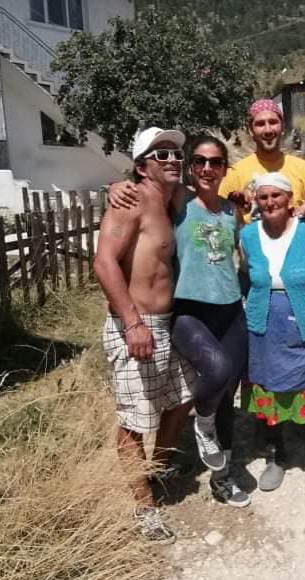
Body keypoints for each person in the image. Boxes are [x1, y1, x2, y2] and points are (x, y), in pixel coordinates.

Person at [94, 127, 195, 542]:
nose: (173, 159)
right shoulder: (131, 201)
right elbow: (103, 263)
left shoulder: (173, 197)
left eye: (176, 153)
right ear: (142, 165)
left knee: (181, 398)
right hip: (136, 326)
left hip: (168, 322)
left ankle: (160, 469)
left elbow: (212, 187)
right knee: (135, 420)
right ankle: (143, 510)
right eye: (162, 154)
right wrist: (132, 322)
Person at [239, 173, 305, 493]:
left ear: (289, 200)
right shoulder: (247, 235)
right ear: (257, 202)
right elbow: (245, 274)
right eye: (263, 197)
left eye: (276, 196)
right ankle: (277, 456)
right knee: (269, 387)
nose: (270, 202)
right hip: (264, 322)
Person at [168, 134, 250, 508]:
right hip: (189, 311)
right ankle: (202, 427)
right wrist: (122, 184)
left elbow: (244, 256)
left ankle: (223, 477)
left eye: (215, 162)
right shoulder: (180, 200)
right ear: (189, 165)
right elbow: (144, 181)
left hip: (230, 310)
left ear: (224, 169)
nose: (206, 168)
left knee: (227, 394)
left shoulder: (232, 212)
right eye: (199, 161)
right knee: (215, 372)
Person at [107, 99, 305, 221]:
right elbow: (202, 203)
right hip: (253, 277)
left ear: (282, 126)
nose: (268, 130)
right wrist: (116, 186)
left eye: (273, 122)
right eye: (260, 124)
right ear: (250, 129)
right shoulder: (234, 173)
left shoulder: (304, 169)